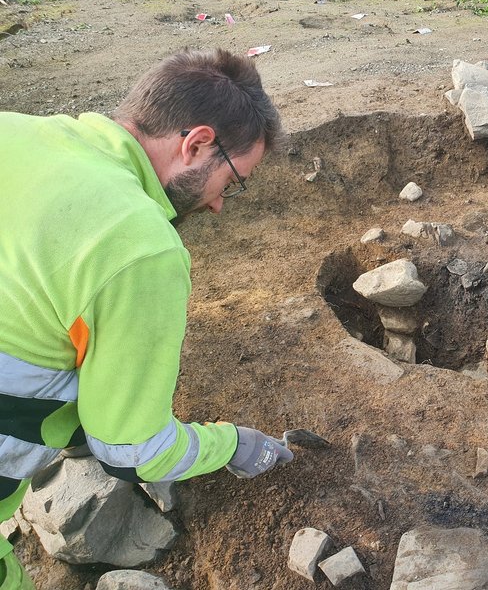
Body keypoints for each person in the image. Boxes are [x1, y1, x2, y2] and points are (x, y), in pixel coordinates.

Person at [0, 48, 294, 588]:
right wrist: (233, 444)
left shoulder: (14, 131)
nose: (219, 204)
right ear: (197, 143)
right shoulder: (139, 247)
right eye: (231, 182)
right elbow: (132, 451)